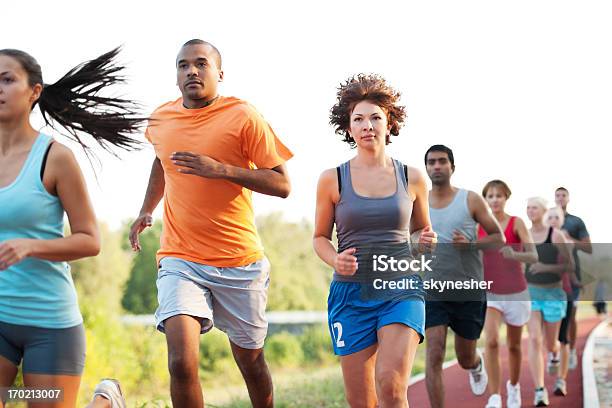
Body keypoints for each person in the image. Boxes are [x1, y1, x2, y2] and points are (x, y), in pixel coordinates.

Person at [128, 39, 292, 408]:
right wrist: (145, 209)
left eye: (201, 64)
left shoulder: (243, 116)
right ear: (176, 76)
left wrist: (221, 170)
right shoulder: (161, 119)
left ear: (220, 73)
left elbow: (282, 184)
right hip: (180, 257)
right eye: (183, 65)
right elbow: (162, 161)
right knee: (181, 363)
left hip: (239, 261)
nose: (192, 71)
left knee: (250, 361)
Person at [0, 47, 143, 407]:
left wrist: (30, 247)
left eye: (7, 79)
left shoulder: (55, 157)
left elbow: (90, 240)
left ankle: (105, 401)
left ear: (34, 91)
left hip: (48, 323)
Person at [313, 74, 436, 407]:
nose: (367, 125)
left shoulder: (412, 177)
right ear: (349, 128)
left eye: (375, 117)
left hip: (400, 287)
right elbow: (320, 238)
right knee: (361, 401)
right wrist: (334, 258)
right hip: (350, 294)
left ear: (389, 122)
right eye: (358, 119)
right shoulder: (332, 179)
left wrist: (424, 242)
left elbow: (420, 233)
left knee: (392, 385)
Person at [423, 145, 505, 408]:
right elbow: (408, 240)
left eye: (442, 161)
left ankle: (476, 363)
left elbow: (497, 237)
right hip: (433, 290)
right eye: (431, 162)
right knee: (433, 354)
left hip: (468, 290)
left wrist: (471, 245)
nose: (437, 166)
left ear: (452, 167)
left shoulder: (471, 199)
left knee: (464, 358)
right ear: (426, 168)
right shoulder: (418, 203)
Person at [478, 180, 538, 408]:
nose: (494, 200)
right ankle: (494, 397)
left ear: (506, 198)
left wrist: (515, 255)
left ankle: (513, 387)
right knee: (491, 341)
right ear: (486, 199)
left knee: (514, 346)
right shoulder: (478, 226)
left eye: (499, 196)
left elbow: (533, 256)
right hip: (491, 292)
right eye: (490, 196)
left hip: (516, 292)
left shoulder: (516, 223)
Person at [525, 199, 573, 406]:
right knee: (534, 339)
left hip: (553, 294)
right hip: (530, 294)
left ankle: (554, 355)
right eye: (527, 207)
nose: (530, 211)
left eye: (534, 207)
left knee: (551, 344)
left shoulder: (556, 235)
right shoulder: (524, 234)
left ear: (544, 211)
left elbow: (569, 266)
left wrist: (545, 268)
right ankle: (540, 390)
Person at [554, 187, 592, 370]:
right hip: (551, 276)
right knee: (553, 316)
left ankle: (570, 351)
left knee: (571, 316)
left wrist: (570, 239)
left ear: (568, 198)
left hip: (573, 274)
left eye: (563, 195)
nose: (560, 198)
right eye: (557, 195)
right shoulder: (548, 220)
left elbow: (588, 247)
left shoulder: (576, 222)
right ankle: (555, 351)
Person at [547, 206, 578, 397]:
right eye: (548, 217)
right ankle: (553, 354)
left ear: (561, 221)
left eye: (555, 217)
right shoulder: (536, 238)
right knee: (546, 340)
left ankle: (561, 380)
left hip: (563, 293)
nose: (552, 220)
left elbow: (569, 266)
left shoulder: (564, 241)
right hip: (540, 295)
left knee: (563, 338)